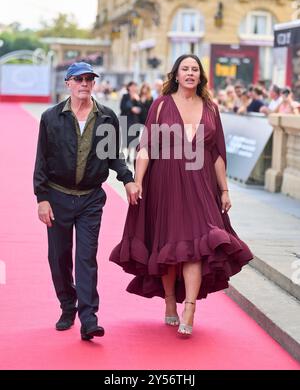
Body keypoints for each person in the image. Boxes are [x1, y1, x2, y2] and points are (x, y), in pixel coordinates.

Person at [110, 54, 253, 336]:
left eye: (195, 69)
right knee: (169, 246)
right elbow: (146, 146)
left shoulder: (211, 108)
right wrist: (137, 182)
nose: (190, 73)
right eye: (185, 69)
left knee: (199, 246)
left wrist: (224, 189)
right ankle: (171, 302)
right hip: (165, 183)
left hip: (201, 186)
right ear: (176, 75)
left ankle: (190, 306)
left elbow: (217, 154)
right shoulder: (161, 105)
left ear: (200, 76)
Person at [33, 61, 139, 341]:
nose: (84, 83)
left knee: (86, 257)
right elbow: (41, 161)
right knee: (58, 257)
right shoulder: (51, 117)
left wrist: (127, 179)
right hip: (57, 196)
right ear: (67, 83)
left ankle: (89, 318)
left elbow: (114, 153)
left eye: (89, 79)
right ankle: (68, 306)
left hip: (91, 198)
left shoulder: (107, 117)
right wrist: (42, 198)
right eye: (78, 79)